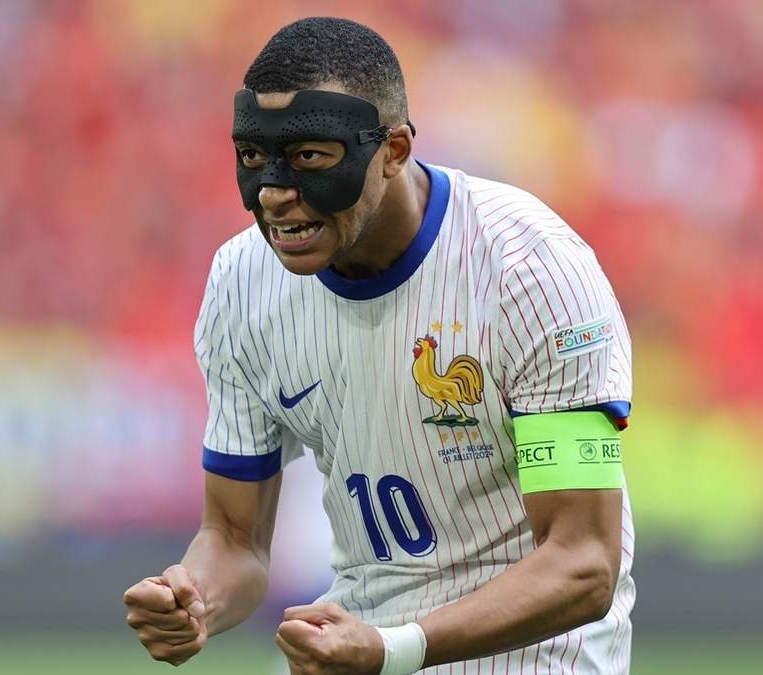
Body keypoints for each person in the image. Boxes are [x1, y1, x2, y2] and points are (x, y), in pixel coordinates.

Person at [124, 16, 635, 675]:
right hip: (359, 646)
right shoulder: (242, 283)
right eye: (254, 157)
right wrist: (195, 597)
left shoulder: (529, 270)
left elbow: (582, 562)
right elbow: (233, 540)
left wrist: (392, 649)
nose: (275, 192)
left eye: (310, 158)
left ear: (393, 150)